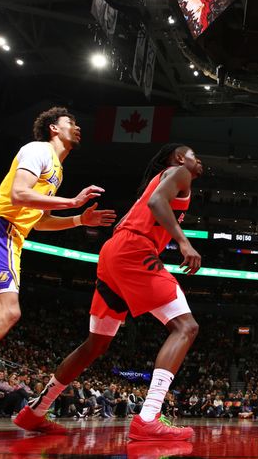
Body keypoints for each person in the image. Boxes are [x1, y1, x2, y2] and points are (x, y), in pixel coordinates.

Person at [13, 144, 203, 440]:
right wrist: (183, 242)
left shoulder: (168, 178)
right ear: (179, 158)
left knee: (95, 344)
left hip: (113, 253)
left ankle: (35, 411)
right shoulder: (179, 172)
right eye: (194, 155)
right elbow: (156, 203)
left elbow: (153, 204)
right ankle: (149, 416)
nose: (198, 160)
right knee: (186, 327)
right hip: (133, 250)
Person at [0, 107, 115, 435]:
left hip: (13, 239)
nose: (77, 127)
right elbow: (18, 194)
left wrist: (77, 220)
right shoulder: (38, 150)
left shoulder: (56, 169)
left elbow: (38, 217)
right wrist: (72, 203)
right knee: (8, 314)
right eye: (71, 122)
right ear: (53, 128)